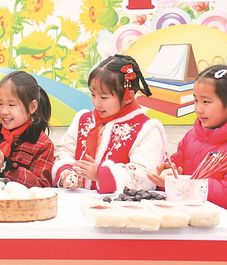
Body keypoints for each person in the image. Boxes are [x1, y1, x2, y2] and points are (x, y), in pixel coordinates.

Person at [147, 65, 227, 231]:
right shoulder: (192, 136)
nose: (198, 109)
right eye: (195, 100)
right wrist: (168, 173)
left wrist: (187, 185)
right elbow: (177, 168)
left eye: (206, 101)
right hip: (198, 227)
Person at [52, 54, 166, 194]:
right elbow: (64, 150)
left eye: (103, 97)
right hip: (76, 198)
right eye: (93, 95)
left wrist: (100, 175)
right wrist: (66, 171)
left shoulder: (146, 129)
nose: (96, 103)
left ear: (128, 96)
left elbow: (145, 174)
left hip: (118, 204)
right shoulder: (84, 119)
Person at [0, 71, 54, 188]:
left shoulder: (43, 145)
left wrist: (4, 167)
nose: (4, 111)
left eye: (11, 105)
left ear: (32, 107)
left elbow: (42, 186)